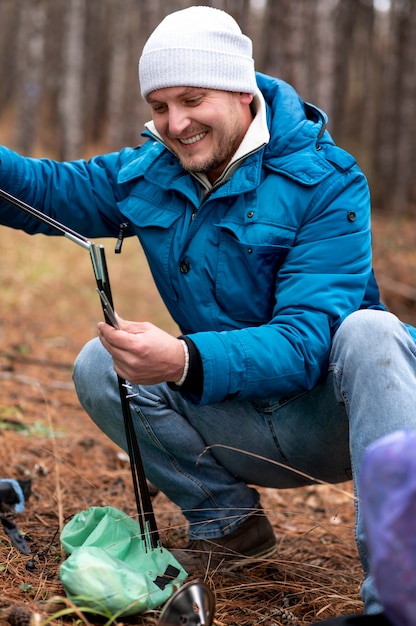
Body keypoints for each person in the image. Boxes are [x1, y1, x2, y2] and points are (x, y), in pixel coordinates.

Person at [0, 5, 415, 619]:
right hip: (238, 422)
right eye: (161, 106)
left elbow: (306, 344)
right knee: (99, 362)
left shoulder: (327, 181)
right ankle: (229, 526)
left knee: (371, 331)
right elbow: (46, 191)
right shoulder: (149, 173)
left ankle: (398, 592)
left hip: (338, 422)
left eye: (193, 99)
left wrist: (183, 358)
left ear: (242, 91)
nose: (175, 123)